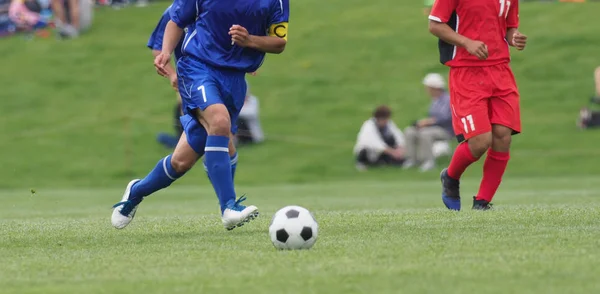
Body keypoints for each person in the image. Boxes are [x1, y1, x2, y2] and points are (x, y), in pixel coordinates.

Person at [111, 0, 289, 230]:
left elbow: (279, 42)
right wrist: (165, 55)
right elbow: (174, 21)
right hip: (197, 68)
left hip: (235, 78)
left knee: (181, 162)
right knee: (219, 121)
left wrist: (250, 41)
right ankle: (229, 207)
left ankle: (136, 191)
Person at [428, 0, 527, 210]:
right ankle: (451, 177)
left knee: (503, 135)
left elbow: (509, 27)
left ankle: (482, 202)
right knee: (480, 141)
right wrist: (466, 42)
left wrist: (514, 38)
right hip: (467, 72)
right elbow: (435, 25)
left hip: (500, 70)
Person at [403, 73, 453, 172]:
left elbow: (446, 117)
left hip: (446, 130)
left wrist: (427, 122)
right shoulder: (435, 101)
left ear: (434, 88)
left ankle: (428, 161)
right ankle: (412, 159)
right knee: (410, 131)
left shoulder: (447, 100)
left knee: (425, 133)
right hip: (434, 128)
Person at [353, 105, 406, 171]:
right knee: (364, 151)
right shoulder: (368, 125)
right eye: (384, 119)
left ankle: (385, 162)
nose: (386, 121)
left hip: (383, 152)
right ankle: (361, 163)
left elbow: (397, 135)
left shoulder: (389, 123)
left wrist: (400, 148)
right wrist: (393, 152)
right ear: (379, 118)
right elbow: (375, 144)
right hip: (369, 151)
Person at [235, 79, 265, 146]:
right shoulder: (234, 102)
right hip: (239, 132)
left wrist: (233, 111)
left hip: (252, 134)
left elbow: (251, 114)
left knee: (238, 119)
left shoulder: (253, 100)